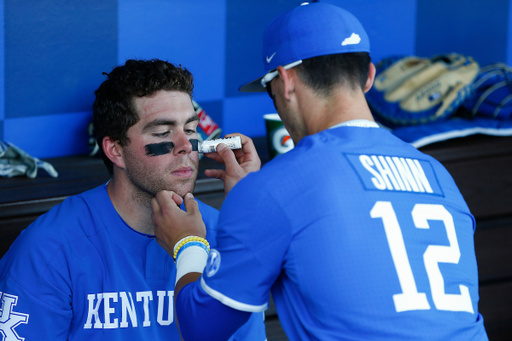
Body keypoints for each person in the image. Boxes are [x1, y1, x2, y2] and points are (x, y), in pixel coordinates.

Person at [151, 3, 489, 340]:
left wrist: (188, 243)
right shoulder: (438, 173)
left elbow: (201, 328)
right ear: (369, 76)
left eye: (270, 93)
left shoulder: (273, 189)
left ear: (285, 81)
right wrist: (256, 198)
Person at [0, 59, 266, 340]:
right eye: (163, 133)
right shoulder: (49, 249)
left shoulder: (227, 238)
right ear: (115, 150)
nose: (187, 145)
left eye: (190, 129)